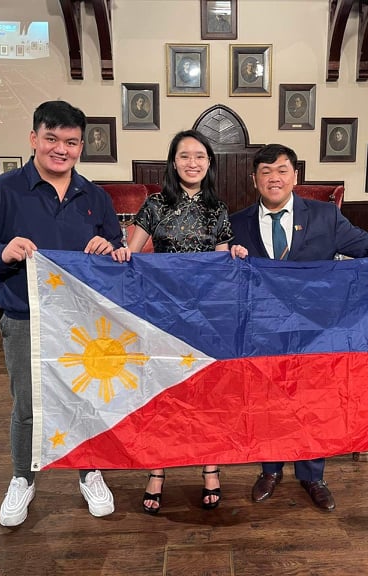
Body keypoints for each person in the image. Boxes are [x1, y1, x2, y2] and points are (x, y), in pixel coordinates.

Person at [228, 143, 368, 511]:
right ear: (254, 179)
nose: (275, 178)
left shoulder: (323, 216)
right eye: (266, 171)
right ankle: (269, 469)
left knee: (313, 401)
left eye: (282, 170)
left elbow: (367, 245)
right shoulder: (236, 222)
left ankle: (312, 475)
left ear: (295, 176)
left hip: (317, 329)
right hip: (263, 331)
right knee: (267, 401)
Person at [0, 100, 124, 527]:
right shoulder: (1, 191)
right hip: (25, 318)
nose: (61, 149)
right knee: (29, 406)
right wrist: (3, 251)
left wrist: (110, 250)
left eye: (71, 142)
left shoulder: (95, 197)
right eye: (51, 139)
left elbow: (116, 250)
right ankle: (23, 478)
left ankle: (89, 470)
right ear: (34, 138)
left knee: (86, 401)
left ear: (80, 146)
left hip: (84, 323)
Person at [112, 129, 248, 514]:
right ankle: (157, 470)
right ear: (174, 162)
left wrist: (234, 252)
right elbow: (132, 252)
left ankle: (210, 466)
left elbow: (222, 264)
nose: (193, 162)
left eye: (200, 156)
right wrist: (122, 255)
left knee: (207, 393)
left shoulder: (217, 209)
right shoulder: (155, 205)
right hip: (162, 313)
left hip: (206, 315)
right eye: (185, 156)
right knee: (162, 390)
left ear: (209, 163)